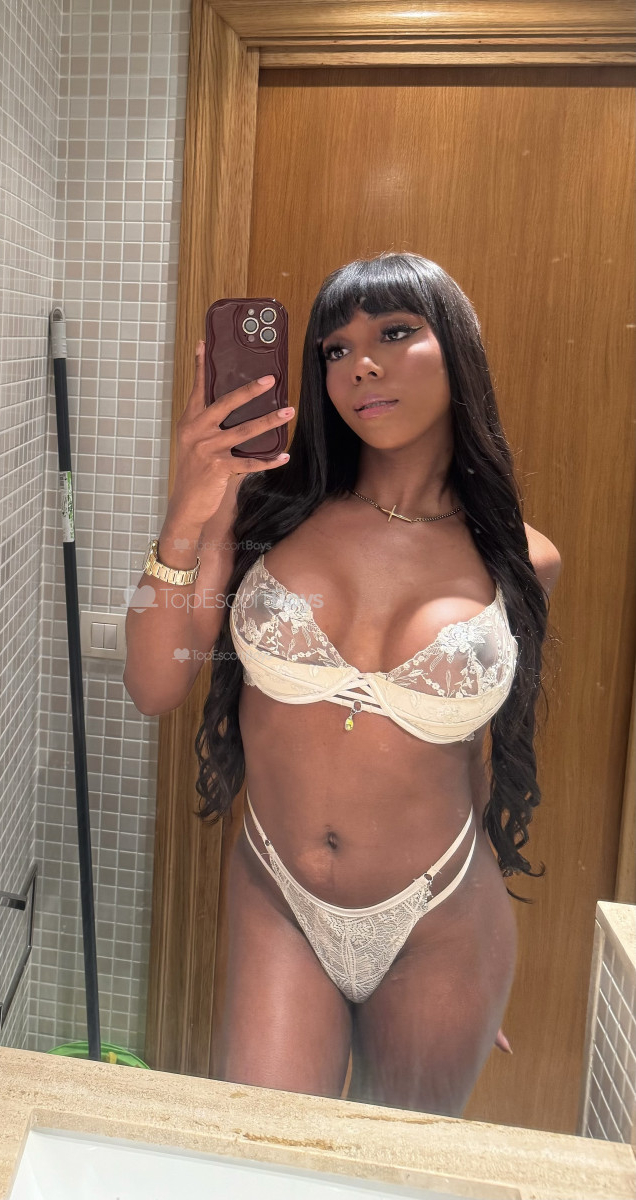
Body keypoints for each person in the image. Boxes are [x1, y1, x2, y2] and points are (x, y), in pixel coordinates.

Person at [123, 252, 561, 1117]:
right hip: (278, 898)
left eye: (395, 333)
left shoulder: (524, 559)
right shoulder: (263, 512)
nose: (361, 364)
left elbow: (471, 750)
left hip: (444, 921)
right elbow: (152, 685)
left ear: (458, 351)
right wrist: (188, 509)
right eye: (335, 349)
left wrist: (474, 975)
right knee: (262, 1154)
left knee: (396, 1170)